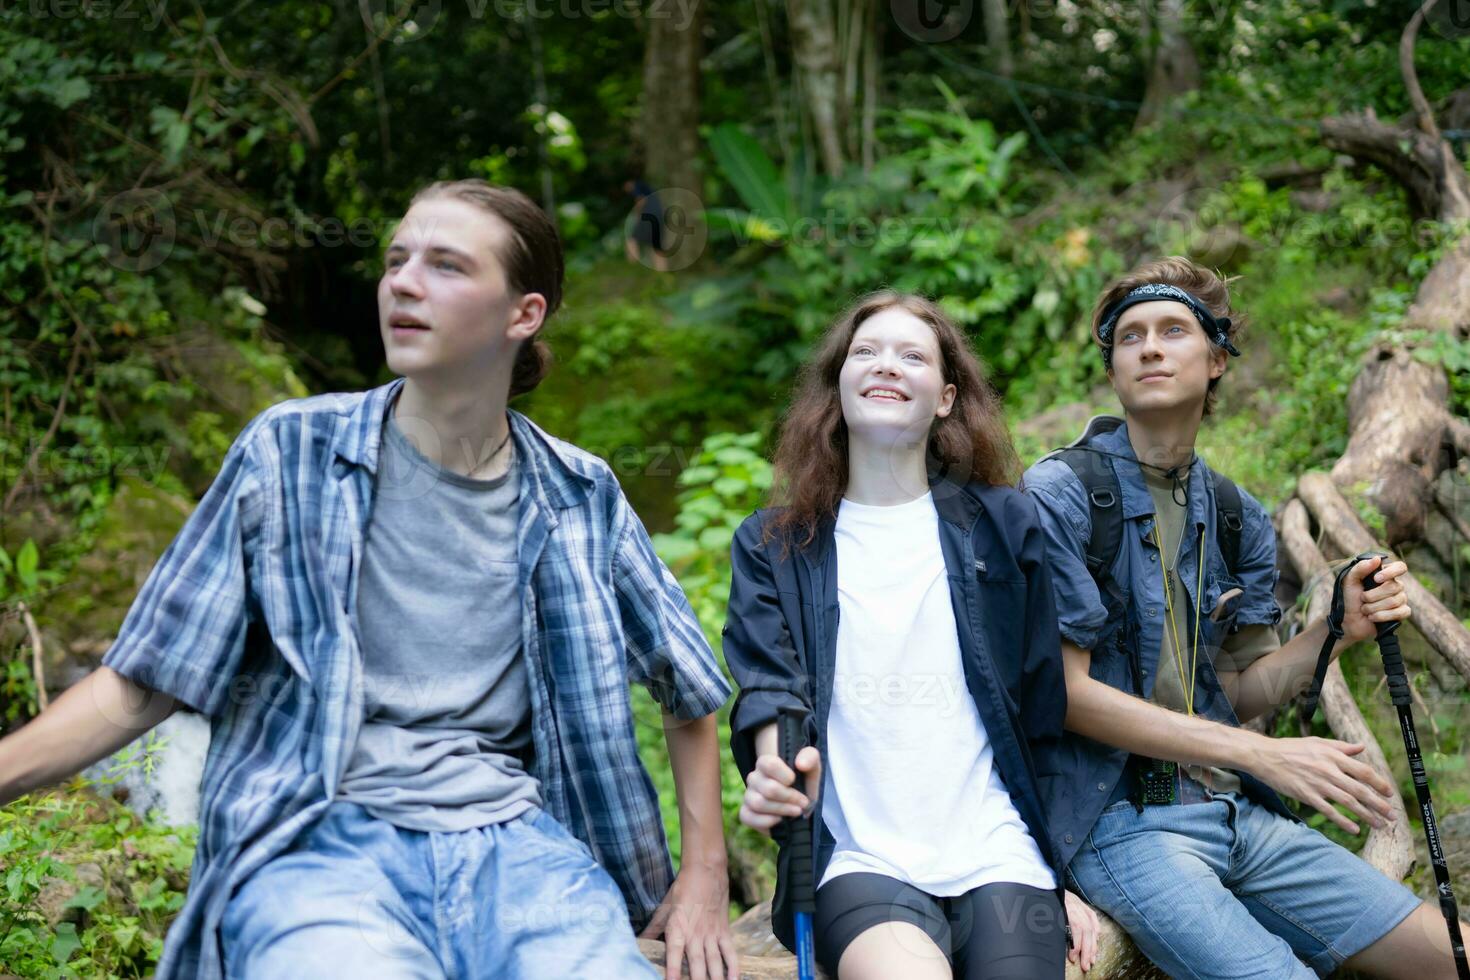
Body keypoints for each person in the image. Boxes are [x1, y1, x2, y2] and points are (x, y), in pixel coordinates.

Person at [0, 179, 739, 980]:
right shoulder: (289, 454)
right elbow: (143, 687)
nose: (403, 283)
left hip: (521, 854)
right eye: (397, 260)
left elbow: (687, 683)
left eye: (446, 266)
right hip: (320, 848)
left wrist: (703, 874)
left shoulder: (579, 493)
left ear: (523, 315)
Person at [1022, 255, 1468, 978]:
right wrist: (1261, 754)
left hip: (1236, 815)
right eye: (1130, 337)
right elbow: (1066, 695)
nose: (1151, 347)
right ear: (1112, 369)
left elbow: (1235, 691)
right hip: (1121, 823)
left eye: (1173, 329)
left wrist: (1335, 631)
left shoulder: (1233, 515)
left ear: (1218, 359)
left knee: (1456, 954)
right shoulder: (1061, 494)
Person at [724, 291, 1101, 980]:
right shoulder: (775, 544)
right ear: (838, 389)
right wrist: (773, 770)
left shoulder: (1006, 525)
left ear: (947, 397)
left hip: (1001, 851)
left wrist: (1062, 872)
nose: (885, 365)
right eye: (865, 352)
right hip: (860, 857)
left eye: (912, 355)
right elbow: (768, 689)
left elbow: (1046, 709)